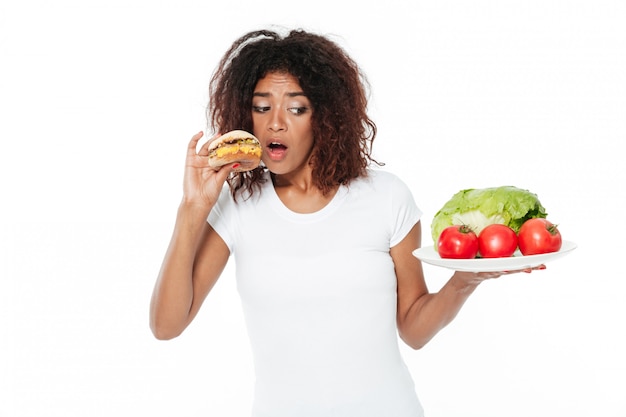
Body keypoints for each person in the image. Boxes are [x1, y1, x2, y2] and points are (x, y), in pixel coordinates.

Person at [149, 28, 538, 417]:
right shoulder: (236, 204)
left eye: (296, 108)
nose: (276, 124)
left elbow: (414, 330)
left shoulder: (386, 197)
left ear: (327, 115)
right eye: (262, 107)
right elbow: (167, 326)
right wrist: (192, 208)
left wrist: (464, 280)